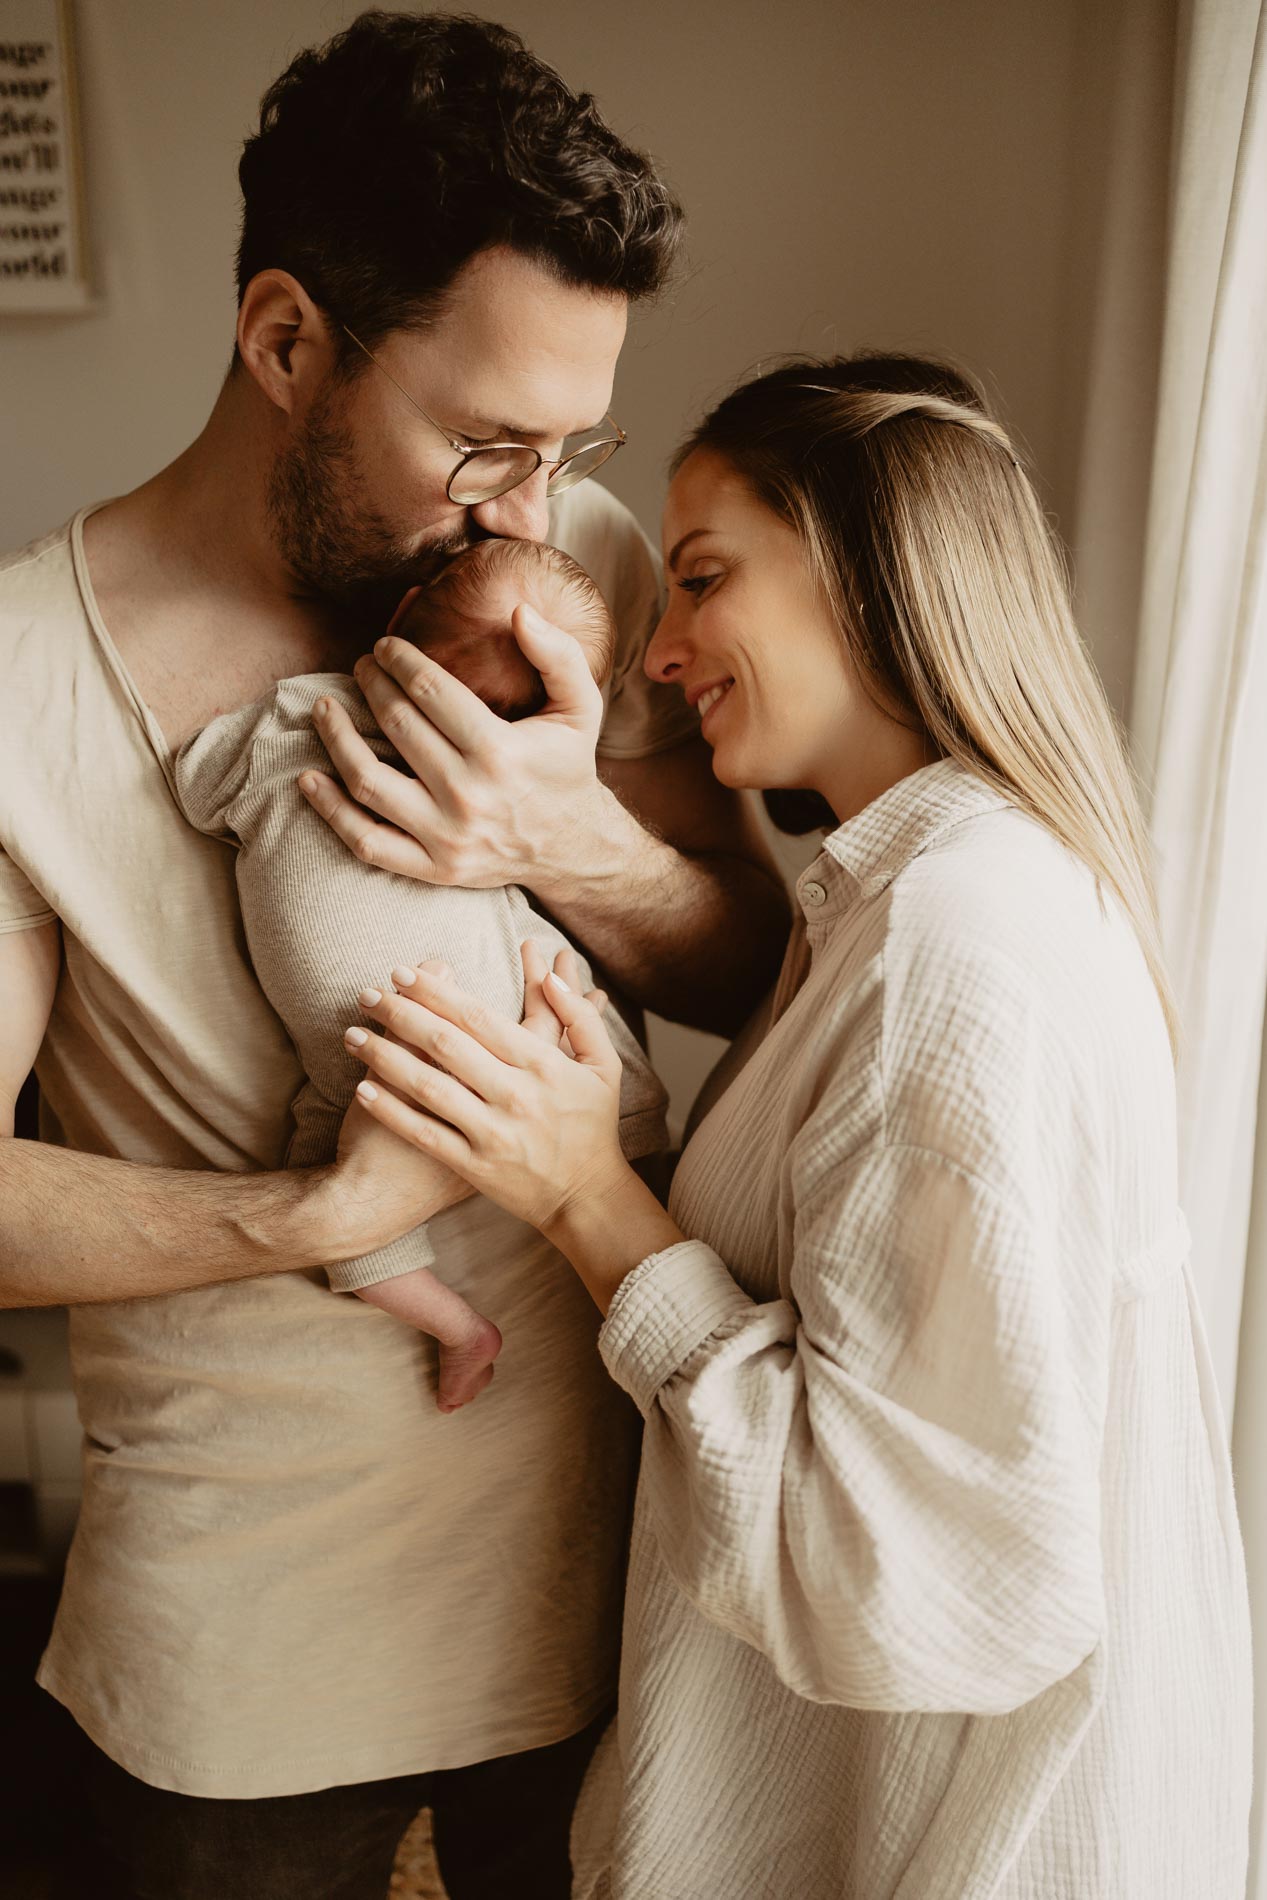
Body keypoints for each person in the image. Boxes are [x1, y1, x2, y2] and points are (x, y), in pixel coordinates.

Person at [0, 13, 789, 1899]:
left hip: (625, 1601)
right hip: (243, 1674)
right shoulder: (21, 682)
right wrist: (305, 1221)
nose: (530, 503)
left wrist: (561, 840)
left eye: (567, 445)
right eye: (484, 441)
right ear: (286, 341)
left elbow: (751, 966)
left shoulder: (568, 564)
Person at [345, 353, 1254, 1899]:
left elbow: (913, 1569)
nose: (661, 651)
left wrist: (584, 1199)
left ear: (867, 566)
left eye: (700, 580)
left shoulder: (951, 947)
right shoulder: (911, 902)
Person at [174, 539, 669, 1414]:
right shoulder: (334, 725)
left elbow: (199, 783)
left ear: (401, 622)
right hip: (425, 1047)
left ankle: (463, 1323)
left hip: (378, 1055)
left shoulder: (294, 718)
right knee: (580, 1035)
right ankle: (477, 1318)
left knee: (560, 1013)